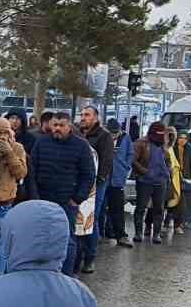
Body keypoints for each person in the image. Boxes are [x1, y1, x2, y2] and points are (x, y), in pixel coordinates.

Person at [26, 114, 95, 275]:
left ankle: (66, 274)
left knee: (67, 239)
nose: (57, 128)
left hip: (67, 202)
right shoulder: (42, 142)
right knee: (41, 237)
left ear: (69, 126)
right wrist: (35, 196)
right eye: (55, 125)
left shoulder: (81, 146)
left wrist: (77, 198)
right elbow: (32, 171)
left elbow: (88, 175)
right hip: (43, 199)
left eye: (61, 125)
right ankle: (43, 271)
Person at [75, 106, 115, 273]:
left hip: (96, 183)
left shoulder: (104, 136)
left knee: (92, 218)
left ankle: (90, 257)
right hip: (78, 181)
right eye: (82, 114)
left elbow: (106, 160)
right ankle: (76, 254)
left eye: (87, 115)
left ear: (96, 117)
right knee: (77, 218)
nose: (83, 117)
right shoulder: (76, 132)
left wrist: (99, 180)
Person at [0, 118, 28, 273]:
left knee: (1, 248)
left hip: (4, 205)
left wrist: (9, 153)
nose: (2, 136)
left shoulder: (17, 148)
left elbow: (21, 173)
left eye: (6, 132)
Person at [131, 122, 171, 243]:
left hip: (161, 181)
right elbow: (133, 160)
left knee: (159, 208)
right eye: (160, 133)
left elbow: (167, 160)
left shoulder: (163, 144)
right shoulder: (141, 142)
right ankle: (138, 233)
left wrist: (166, 171)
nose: (162, 136)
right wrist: (145, 172)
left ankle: (156, 234)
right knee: (140, 208)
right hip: (144, 181)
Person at [105, 119, 133, 248]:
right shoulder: (103, 137)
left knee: (117, 208)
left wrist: (125, 167)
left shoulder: (126, 138)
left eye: (116, 133)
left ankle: (121, 235)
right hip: (103, 178)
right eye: (112, 133)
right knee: (100, 209)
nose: (114, 135)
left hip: (117, 178)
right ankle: (104, 232)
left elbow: (130, 154)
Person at [176, 129, 191, 232]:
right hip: (175, 177)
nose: (182, 140)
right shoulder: (173, 148)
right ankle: (174, 223)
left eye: (184, 138)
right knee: (175, 201)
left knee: (189, 201)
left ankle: (190, 221)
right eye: (180, 138)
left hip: (187, 178)